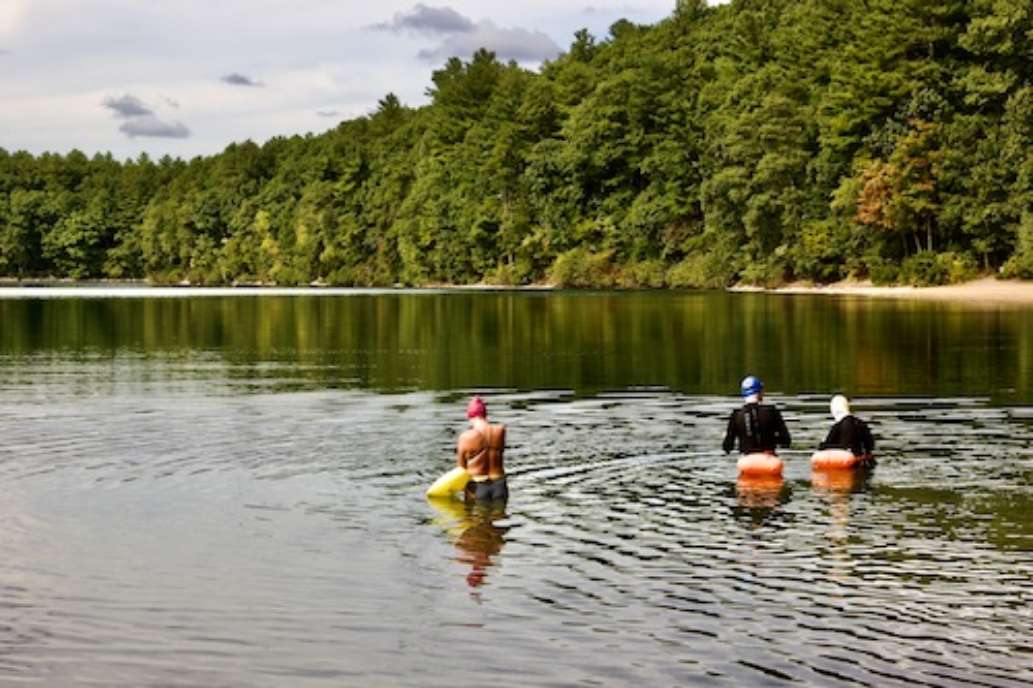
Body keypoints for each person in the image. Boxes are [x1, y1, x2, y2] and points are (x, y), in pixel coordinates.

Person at [722, 375, 791, 455]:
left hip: (747, 462)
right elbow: (786, 442)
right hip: (769, 461)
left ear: (743, 393)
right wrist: (770, 438)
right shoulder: (772, 411)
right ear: (760, 392)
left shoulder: (736, 415)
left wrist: (726, 438)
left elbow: (727, 447)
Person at [456, 396, 508, 501]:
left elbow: (461, 469)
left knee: (474, 516)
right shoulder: (501, 431)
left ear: (469, 416)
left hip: (478, 487)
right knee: (499, 516)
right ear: (485, 414)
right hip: (499, 485)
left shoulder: (465, 437)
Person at [819, 394, 875, 466]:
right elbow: (871, 445)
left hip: (850, 464)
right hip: (868, 463)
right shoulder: (861, 423)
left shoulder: (837, 426)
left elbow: (825, 447)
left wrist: (822, 445)